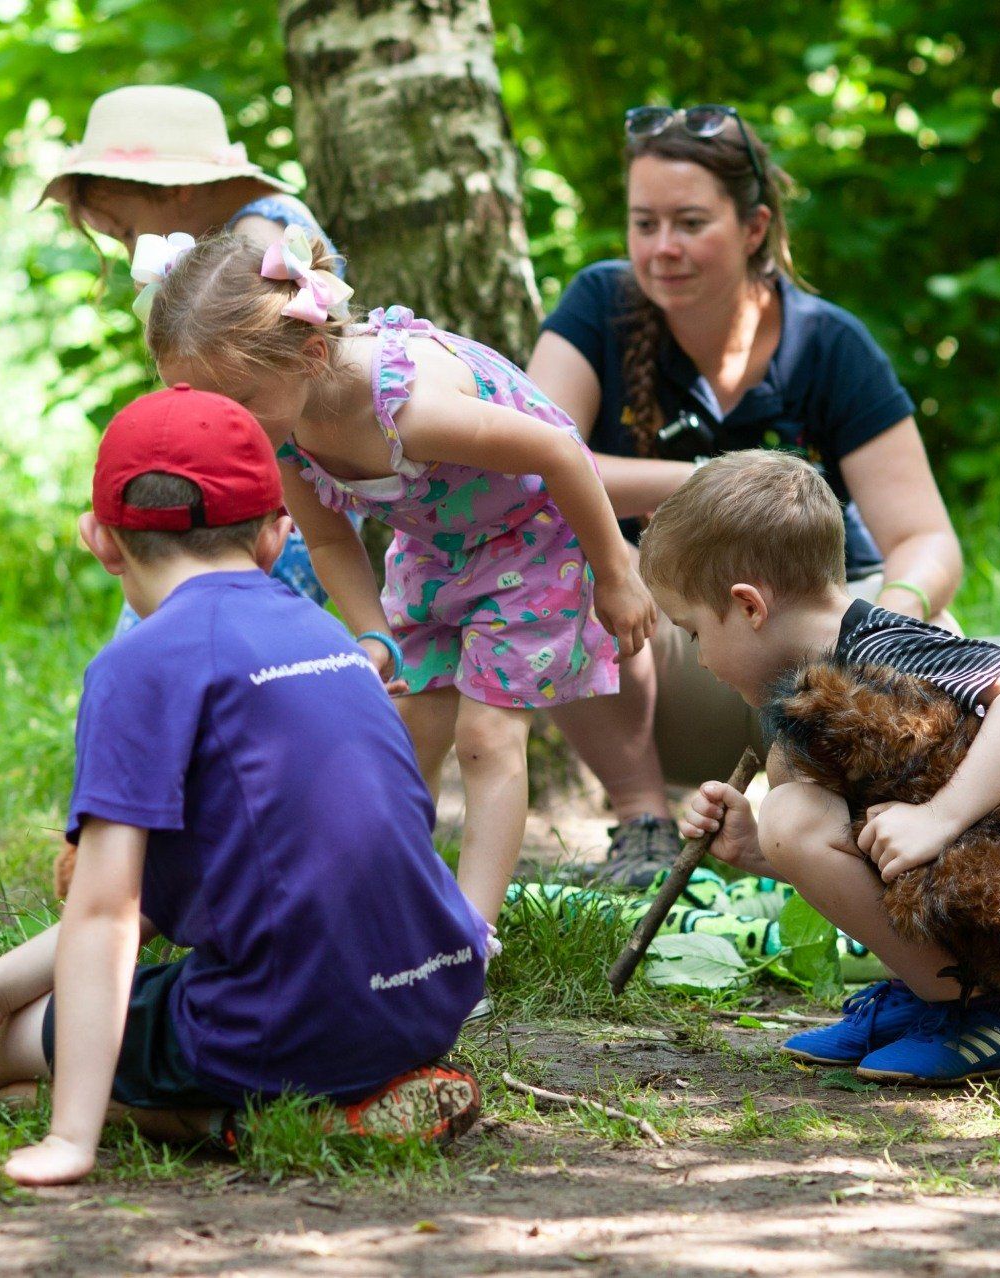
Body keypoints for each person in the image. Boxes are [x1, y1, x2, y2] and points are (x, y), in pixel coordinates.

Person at [0, 387, 488, 1187]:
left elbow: (106, 911)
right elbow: (172, 896)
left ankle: (261, 1121)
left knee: (4, 1057)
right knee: (20, 1016)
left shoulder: (140, 663)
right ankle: (351, 1090)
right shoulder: (332, 638)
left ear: (100, 541)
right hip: (432, 994)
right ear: (277, 539)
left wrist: (70, 1140)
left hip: (290, 1020)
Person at [136, 229, 657, 1015]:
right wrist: (370, 632)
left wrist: (616, 572)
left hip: (538, 536)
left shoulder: (407, 408)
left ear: (308, 357)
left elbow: (557, 451)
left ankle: (465, 942)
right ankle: (395, 917)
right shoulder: (280, 438)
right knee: (405, 729)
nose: (220, 421)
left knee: (488, 737)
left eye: (234, 400)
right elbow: (329, 537)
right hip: (439, 546)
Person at [526, 104, 964, 886]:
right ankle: (642, 825)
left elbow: (928, 540)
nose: (663, 248)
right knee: (543, 563)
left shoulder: (829, 343)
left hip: (818, 663)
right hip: (664, 653)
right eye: (644, 223)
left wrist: (882, 624)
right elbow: (537, 464)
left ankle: (853, 849)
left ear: (755, 226)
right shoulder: (597, 305)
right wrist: (708, 483)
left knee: (939, 632)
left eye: (690, 222)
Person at [644, 452, 1000, 1085]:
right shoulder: (805, 696)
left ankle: (976, 1012)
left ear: (748, 606)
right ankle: (927, 991)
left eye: (691, 633)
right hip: (971, 901)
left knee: (791, 811)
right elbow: (853, 851)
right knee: (787, 806)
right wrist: (759, 847)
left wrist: (941, 817)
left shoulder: (878, 647)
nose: (702, 660)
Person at [39, 84, 352, 631]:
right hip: (265, 492)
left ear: (177, 190)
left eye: (127, 229)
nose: (130, 250)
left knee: (179, 636)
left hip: (271, 506)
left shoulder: (260, 231)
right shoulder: (252, 228)